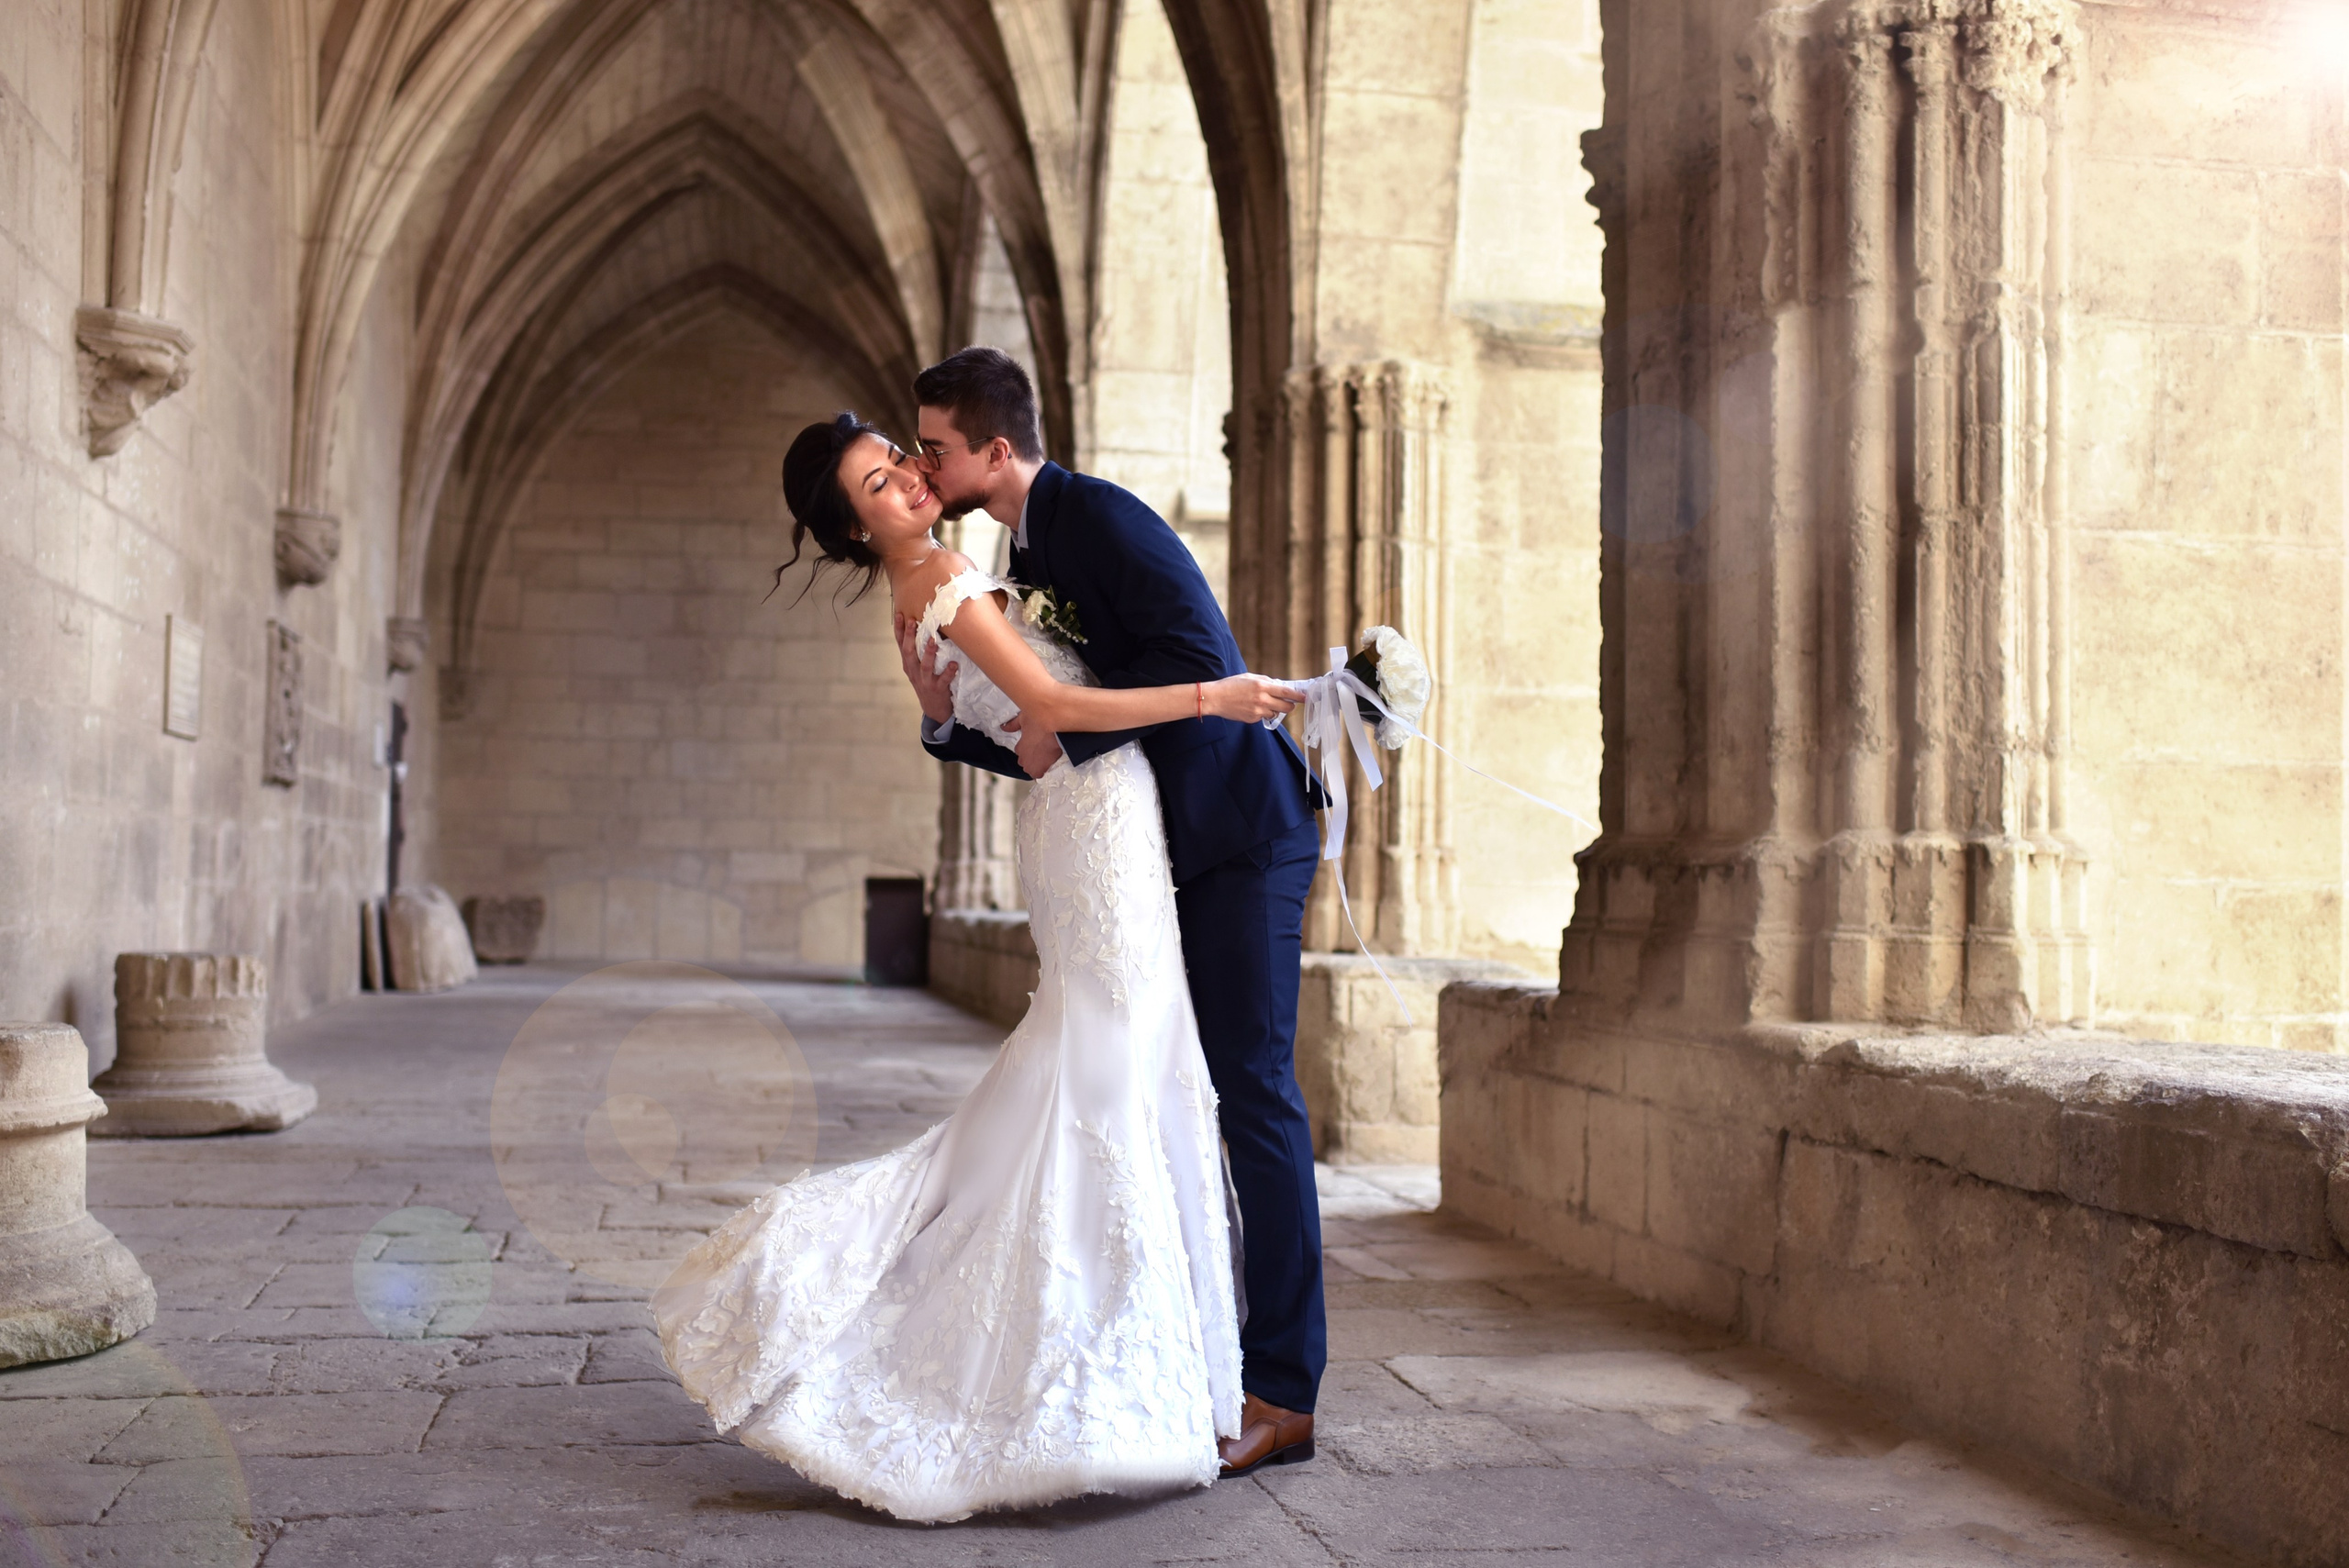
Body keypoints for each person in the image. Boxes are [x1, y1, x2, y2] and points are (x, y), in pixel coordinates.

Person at [653, 406, 1305, 1523]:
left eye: (898, 466)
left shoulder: (933, 589)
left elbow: (1027, 733)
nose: (903, 484)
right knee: (1106, 1072)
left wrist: (947, 716)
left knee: (1105, 1071)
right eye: (875, 489)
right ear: (858, 531)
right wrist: (1217, 695)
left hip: (1090, 818)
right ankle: (1095, 1356)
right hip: (1098, 831)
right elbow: (1051, 708)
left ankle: (1145, 1351)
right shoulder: (948, 573)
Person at [902, 349, 1328, 1478]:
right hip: (1156, 848)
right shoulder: (1023, 544)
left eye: (935, 446)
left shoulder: (1100, 515)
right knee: (1178, 1089)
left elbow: (1198, 662)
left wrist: (1064, 728)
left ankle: (1284, 1389)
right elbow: (1054, 722)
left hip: (1242, 833)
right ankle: (1183, 1345)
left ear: (996, 449)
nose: (921, 463)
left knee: (1255, 1092)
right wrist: (957, 727)